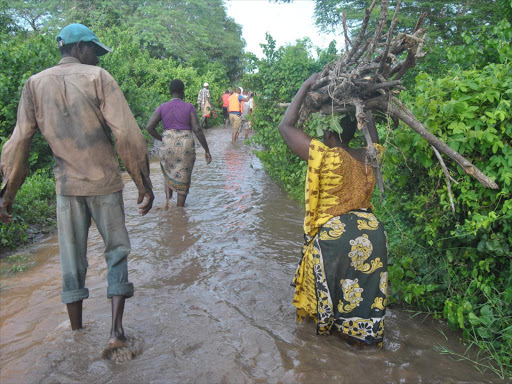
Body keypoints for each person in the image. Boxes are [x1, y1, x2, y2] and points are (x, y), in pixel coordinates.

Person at [0, 23, 154, 349]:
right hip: (105, 184)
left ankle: (77, 336)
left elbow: (18, 143)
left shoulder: (34, 84)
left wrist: (8, 193)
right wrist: (143, 182)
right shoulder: (99, 78)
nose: (97, 57)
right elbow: (127, 134)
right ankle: (116, 333)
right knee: (117, 253)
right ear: (80, 47)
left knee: (72, 263)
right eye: (95, 51)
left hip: (66, 187)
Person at [278, 73, 388, 347]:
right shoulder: (368, 157)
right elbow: (374, 142)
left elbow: (285, 127)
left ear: (329, 134)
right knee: (363, 299)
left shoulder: (325, 156)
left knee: (322, 310)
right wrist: (365, 107)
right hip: (372, 235)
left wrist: (305, 85)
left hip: (334, 237)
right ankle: (363, 342)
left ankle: (323, 352)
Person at [146, 79, 212, 208]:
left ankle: (168, 203)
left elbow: (149, 127)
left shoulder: (162, 107)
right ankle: (180, 210)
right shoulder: (189, 107)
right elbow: (197, 129)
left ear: (170, 92)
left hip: (168, 142)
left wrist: (162, 138)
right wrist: (207, 150)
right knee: (184, 175)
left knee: (168, 171)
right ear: (183, 92)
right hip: (186, 143)